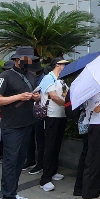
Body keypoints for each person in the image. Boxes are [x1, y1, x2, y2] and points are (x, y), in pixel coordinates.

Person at [0, 52, 41, 199]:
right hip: (11, 126)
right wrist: (18, 97)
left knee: (20, 160)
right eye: (26, 59)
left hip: (27, 123)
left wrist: (35, 97)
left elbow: (34, 94)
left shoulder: (30, 76)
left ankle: (12, 192)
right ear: (17, 60)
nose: (29, 62)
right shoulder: (5, 76)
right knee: (10, 162)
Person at [37, 58, 70, 191]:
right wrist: (68, 105)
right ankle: (45, 179)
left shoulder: (61, 79)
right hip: (51, 116)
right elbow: (54, 96)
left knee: (57, 145)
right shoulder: (48, 78)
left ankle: (53, 171)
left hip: (61, 115)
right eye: (64, 64)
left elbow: (65, 94)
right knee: (50, 146)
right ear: (57, 65)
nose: (65, 66)